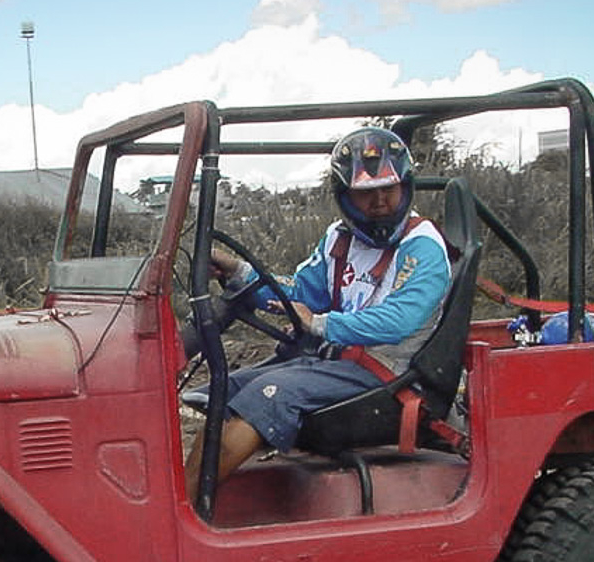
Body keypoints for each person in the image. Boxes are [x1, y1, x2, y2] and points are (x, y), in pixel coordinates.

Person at [185, 127, 451, 501]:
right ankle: (185, 500)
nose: (379, 202)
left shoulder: (422, 246)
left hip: (389, 376)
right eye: (366, 193)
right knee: (224, 390)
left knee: (269, 395)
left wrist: (320, 323)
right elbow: (300, 292)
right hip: (338, 364)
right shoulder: (340, 240)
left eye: (388, 190)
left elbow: (400, 319)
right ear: (345, 196)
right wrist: (240, 273)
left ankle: (185, 511)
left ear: (405, 187)